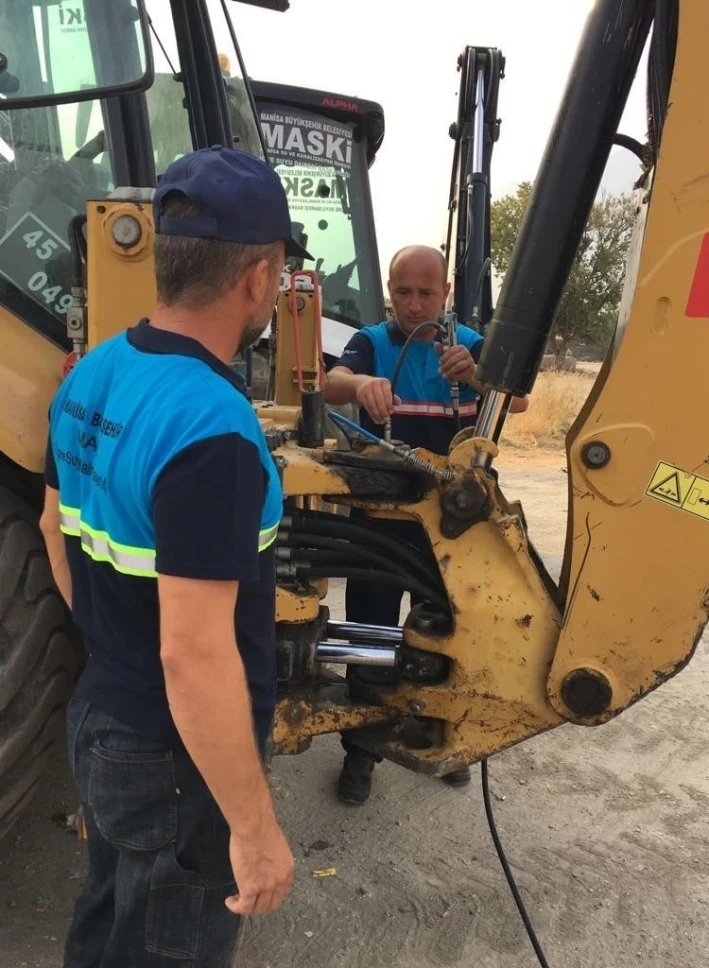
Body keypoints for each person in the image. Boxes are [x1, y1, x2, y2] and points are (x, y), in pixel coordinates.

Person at [39, 146, 310, 968]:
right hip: (172, 755)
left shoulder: (92, 376)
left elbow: (55, 527)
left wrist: (112, 651)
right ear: (258, 279)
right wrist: (257, 833)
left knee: (108, 920)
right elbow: (192, 654)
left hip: (103, 713)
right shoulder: (214, 432)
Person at [324, 244, 528, 805]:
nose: (415, 305)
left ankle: (442, 739)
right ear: (390, 291)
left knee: (445, 637)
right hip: (380, 522)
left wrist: (484, 378)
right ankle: (361, 754)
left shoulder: (470, 346)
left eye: (426, 293)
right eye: (404, 293)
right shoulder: (371, 342)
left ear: (446, 294)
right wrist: (360, 385)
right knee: (372, 636)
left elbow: (524, 399)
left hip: (453, 527)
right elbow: (330, 381)